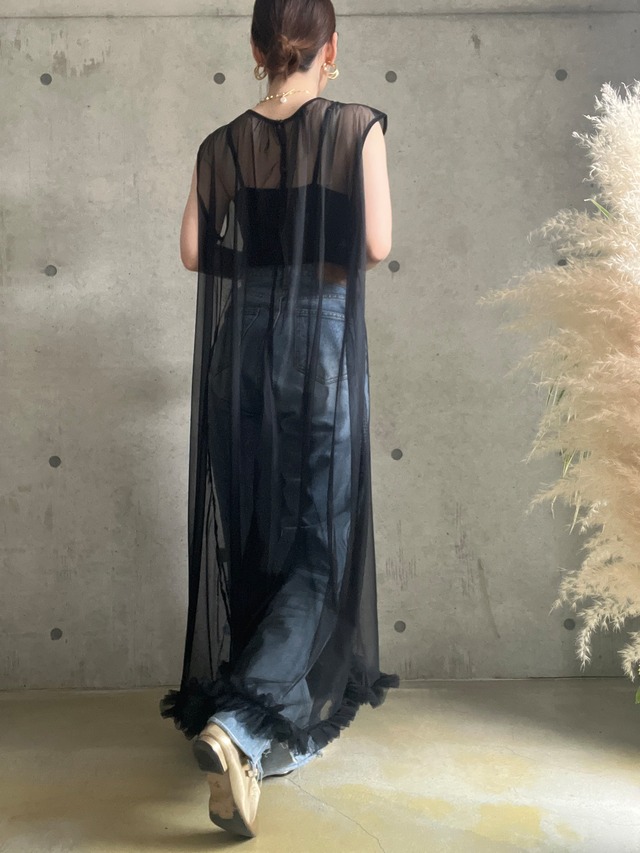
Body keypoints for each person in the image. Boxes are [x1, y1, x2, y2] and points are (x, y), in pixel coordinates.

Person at [160, 0, 399, 838]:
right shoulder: (356, 127)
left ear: (257, 48)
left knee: (258, 532)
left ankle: (267, 735)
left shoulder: (222, 144)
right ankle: (242, 722)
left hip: (243, 347)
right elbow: (377, 244)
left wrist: (263, 258)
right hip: (320, 343)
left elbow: (194, 251)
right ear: (330, 49)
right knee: (319, 548)